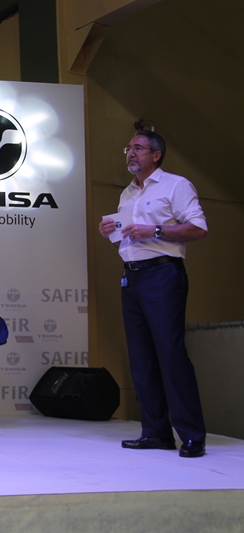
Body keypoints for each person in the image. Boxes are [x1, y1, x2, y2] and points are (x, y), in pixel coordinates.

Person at [98, 130, 207, 458]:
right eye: (128, 148)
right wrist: (112, 232)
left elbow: (198, 228)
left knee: (170, 354)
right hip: (132, 276)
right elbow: (130, 238)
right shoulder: (128, 193)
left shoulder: (176, 185)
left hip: (163, 274)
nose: (130, 153)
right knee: (142, 357)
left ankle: (192, 435)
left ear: (156, 155)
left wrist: (155, 230)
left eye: (138, 148)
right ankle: (156, 433)